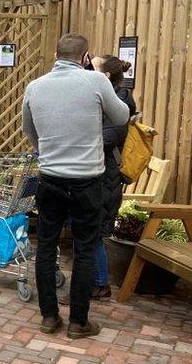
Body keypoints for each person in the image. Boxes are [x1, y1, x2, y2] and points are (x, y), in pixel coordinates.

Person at [22, 34, 131, 339]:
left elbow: (29, 130)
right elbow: (122, 116)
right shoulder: (96, 82)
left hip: (50, 178)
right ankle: (79, 322)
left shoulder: (35, 86)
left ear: (56, 55)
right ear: (84, 58)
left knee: (46, 246)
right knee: (84, 248)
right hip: (87, 180)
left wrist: (48, 151)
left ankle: (48, 317)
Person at [89, 55, 137, 300]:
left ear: (105, 77)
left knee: (93, 232)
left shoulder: (120, 102)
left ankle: (99, 284)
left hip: (105, 176)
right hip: (99, 173)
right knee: (89, 231)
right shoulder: (108, 97)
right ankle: (95, 282)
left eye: (92, 68)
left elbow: (109, 137)